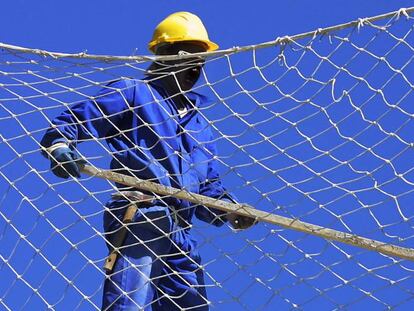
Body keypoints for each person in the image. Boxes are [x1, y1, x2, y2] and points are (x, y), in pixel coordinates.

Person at [40, 12, 255, 311]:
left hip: (181, 231)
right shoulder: (134, 92)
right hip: (142, 208)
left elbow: (208, 187)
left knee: (190, 304)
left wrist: (228, 209)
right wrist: (60, 145)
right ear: (164, 55)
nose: (195, 64)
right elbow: (80, 117)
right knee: (130, 299)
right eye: (186, 54)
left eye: (200, 57)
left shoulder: (200, 127)